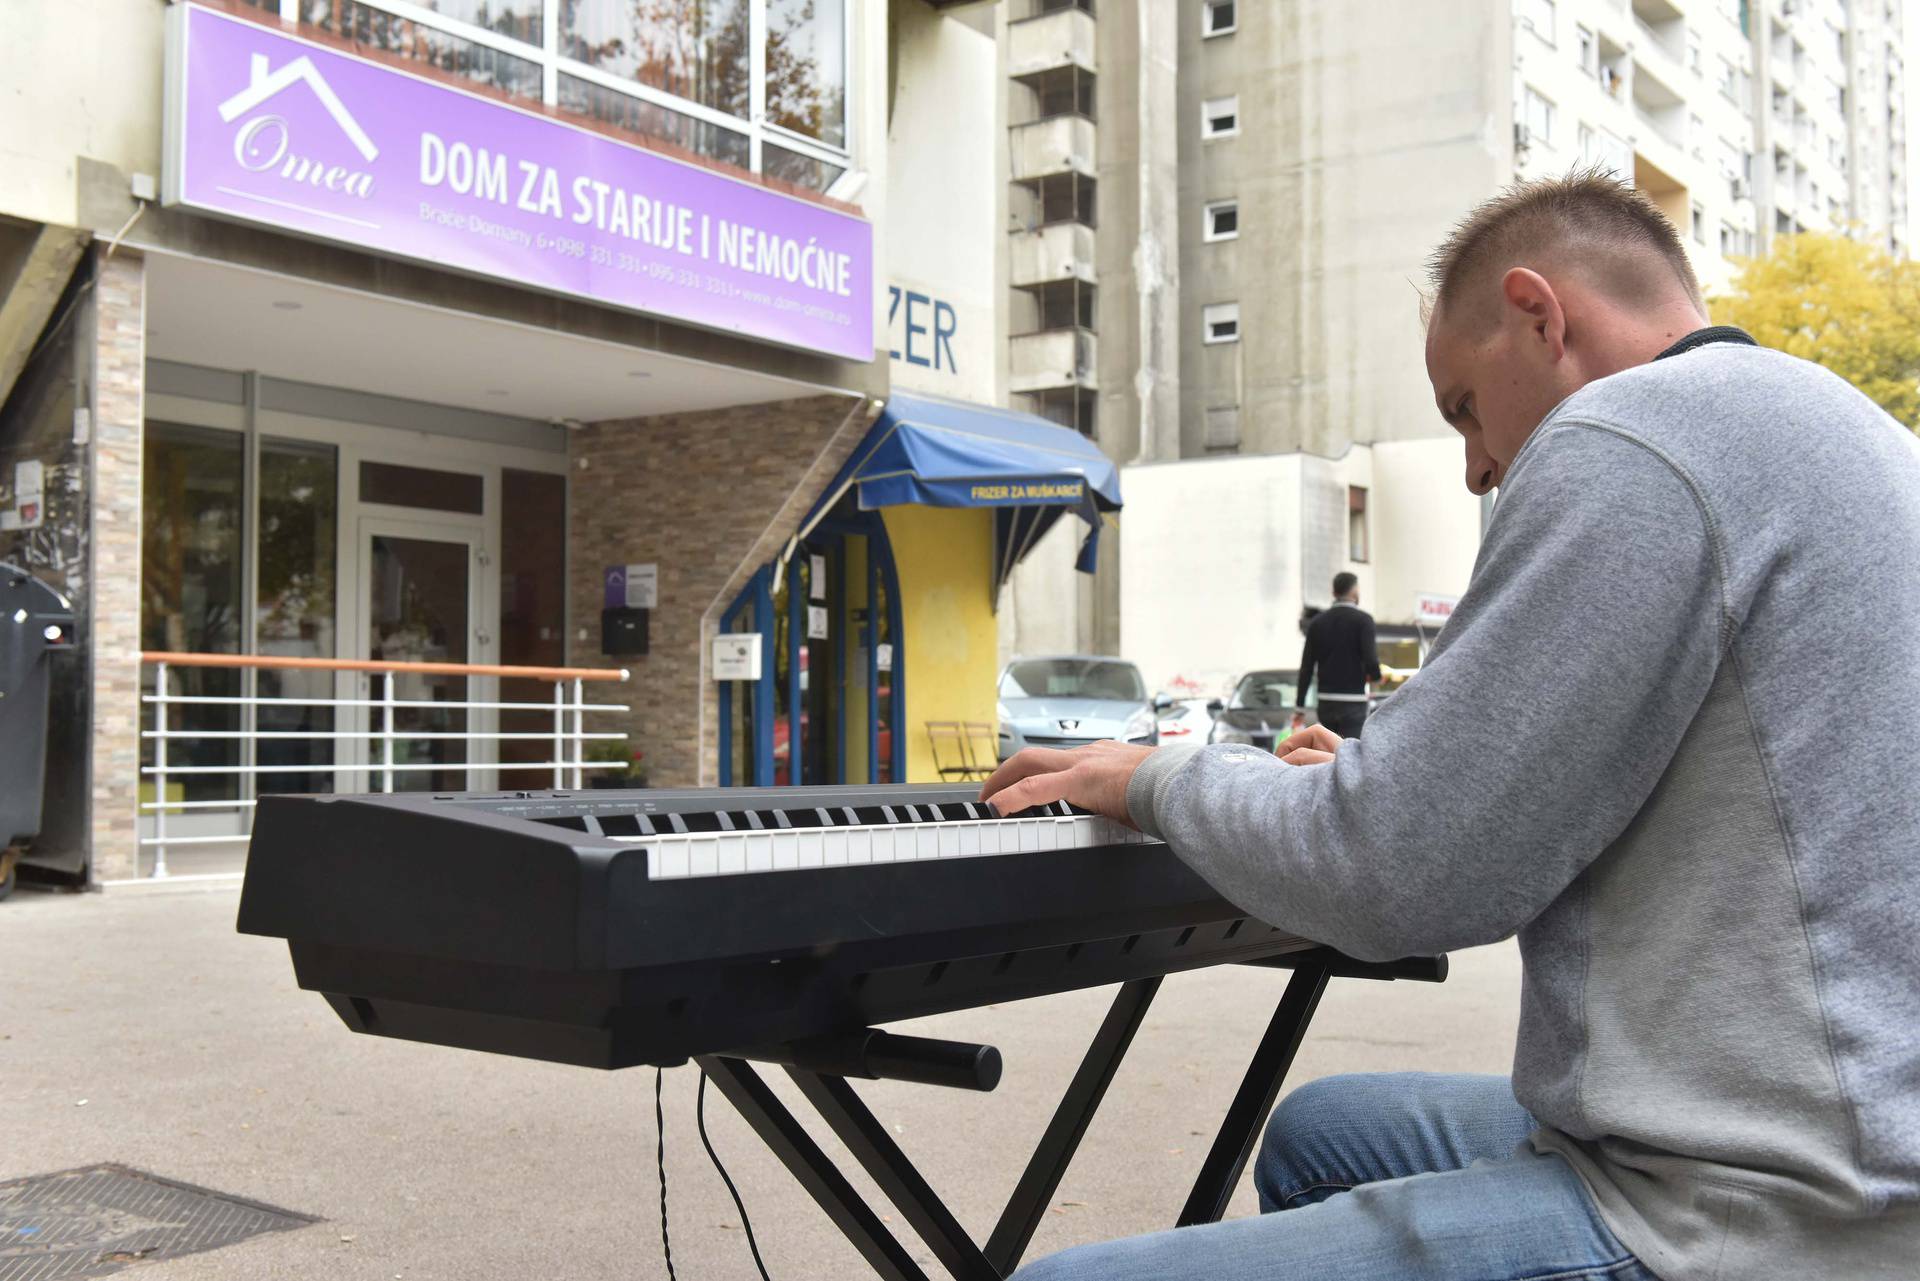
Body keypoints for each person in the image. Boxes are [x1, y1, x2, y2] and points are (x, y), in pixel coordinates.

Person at [983, 171, 1920, 1280]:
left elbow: (1398, 875)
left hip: (1760, 1209)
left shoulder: (1633, 439)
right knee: (1322, 1132)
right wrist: (1389, 776)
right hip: (1845, 1131)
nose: (1478, 465)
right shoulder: (1844, 429)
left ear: (1540, 313)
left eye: (1467, 406)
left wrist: (1156, 778)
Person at [1292, 571, 1380, 739]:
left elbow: (1307, 667)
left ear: (1334, 593)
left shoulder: (1317, 623)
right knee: (1351, 751)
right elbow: (1371, 660)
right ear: (1355, 592)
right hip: (1353, 701)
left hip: (1326, 702)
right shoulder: (1364, 620)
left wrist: (1300, 707)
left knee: (1328, 749)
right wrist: (1375, 677)